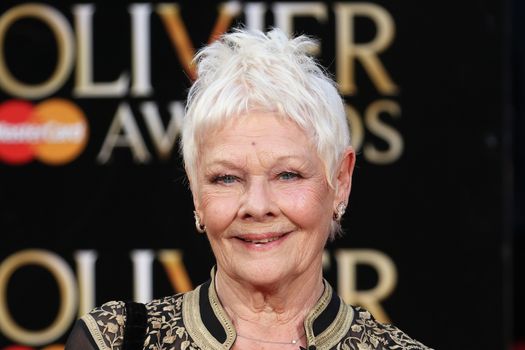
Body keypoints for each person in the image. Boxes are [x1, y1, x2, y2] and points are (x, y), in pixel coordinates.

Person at [65, 28, 431, 350]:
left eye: (287, 175)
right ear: (196, 192)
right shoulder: (117, 341)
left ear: (340, 182)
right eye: (227, 178)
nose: (257, 206)